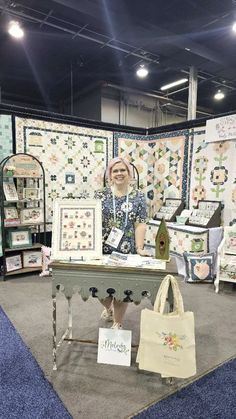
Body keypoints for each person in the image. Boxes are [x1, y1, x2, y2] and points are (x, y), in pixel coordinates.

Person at [95, 157, 149, 329]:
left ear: (129, 173)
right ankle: (108, 308)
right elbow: (91, 219)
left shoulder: (138, 197)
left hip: (127, 250)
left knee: (122, 289)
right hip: (102, 249)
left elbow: (140, 223)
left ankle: (118, 323)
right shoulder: (100, 195)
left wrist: (140, 248)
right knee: (100, 289)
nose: (119, 174)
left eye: (122, 170)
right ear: (110, 174)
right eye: (115, 171)